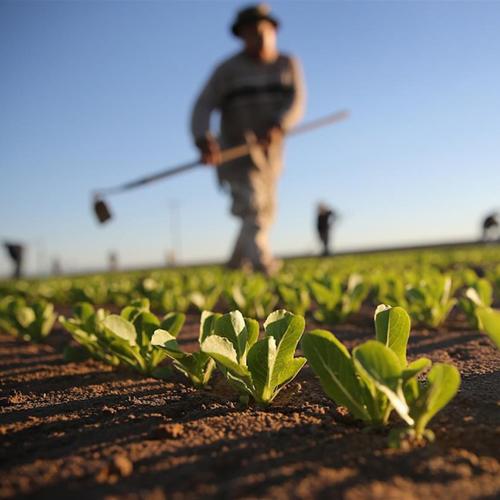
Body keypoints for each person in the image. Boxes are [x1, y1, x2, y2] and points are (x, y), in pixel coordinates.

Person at [191, 4, 305, 275]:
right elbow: (203, 106)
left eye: (264, 31)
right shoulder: (227, 70)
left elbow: (296, 101)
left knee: (264, 211)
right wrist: (203, 138)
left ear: (274, 31)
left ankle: (234, 265)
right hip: (236, 152)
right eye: (252, 32)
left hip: (270, 155)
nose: (259, 37)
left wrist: (280, 124)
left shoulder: (287, 64)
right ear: (241, 36)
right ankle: (263, 265)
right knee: (253, 208)